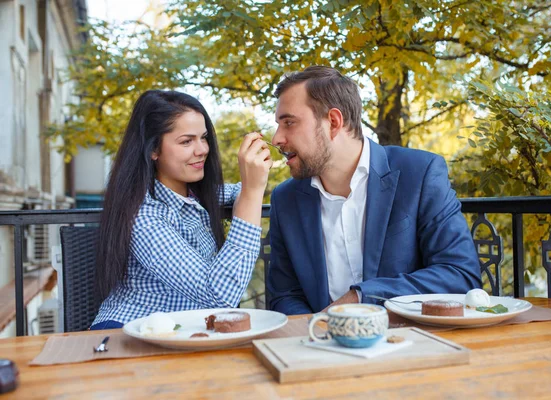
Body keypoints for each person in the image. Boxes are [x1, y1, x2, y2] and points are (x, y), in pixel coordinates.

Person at [267, 66, 481, 315]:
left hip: (412, 343)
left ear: (333, 122)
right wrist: (315, 330)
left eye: (289, 123)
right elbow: (285, 295)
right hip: (320, 346)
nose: (276, 139)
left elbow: (460, 276)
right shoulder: (285, 200)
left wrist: (361, 298)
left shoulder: (420, 173)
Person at [91, 90, 272, 329]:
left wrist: (249, 190)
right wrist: (251, 193)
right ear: (153, 150)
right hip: (131, 333)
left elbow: (239, 190)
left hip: (183, 333)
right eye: (186, 141)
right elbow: (218, 295)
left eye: (203, 137)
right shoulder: (146, 216)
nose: (202, 150)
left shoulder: (195, 196)